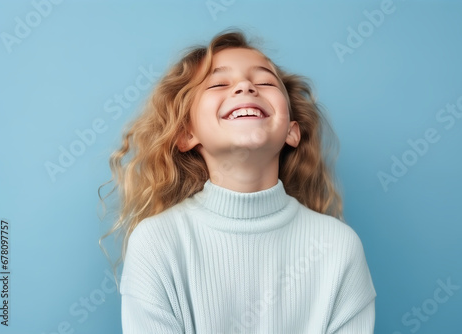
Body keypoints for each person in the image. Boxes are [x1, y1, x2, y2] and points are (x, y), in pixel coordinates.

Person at [105, 29, 376, 333]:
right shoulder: (157, 242)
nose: (246, 86)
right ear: (186, 134)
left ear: (292, 131)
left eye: (264, 82)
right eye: (219, 83)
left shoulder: (339, 247)